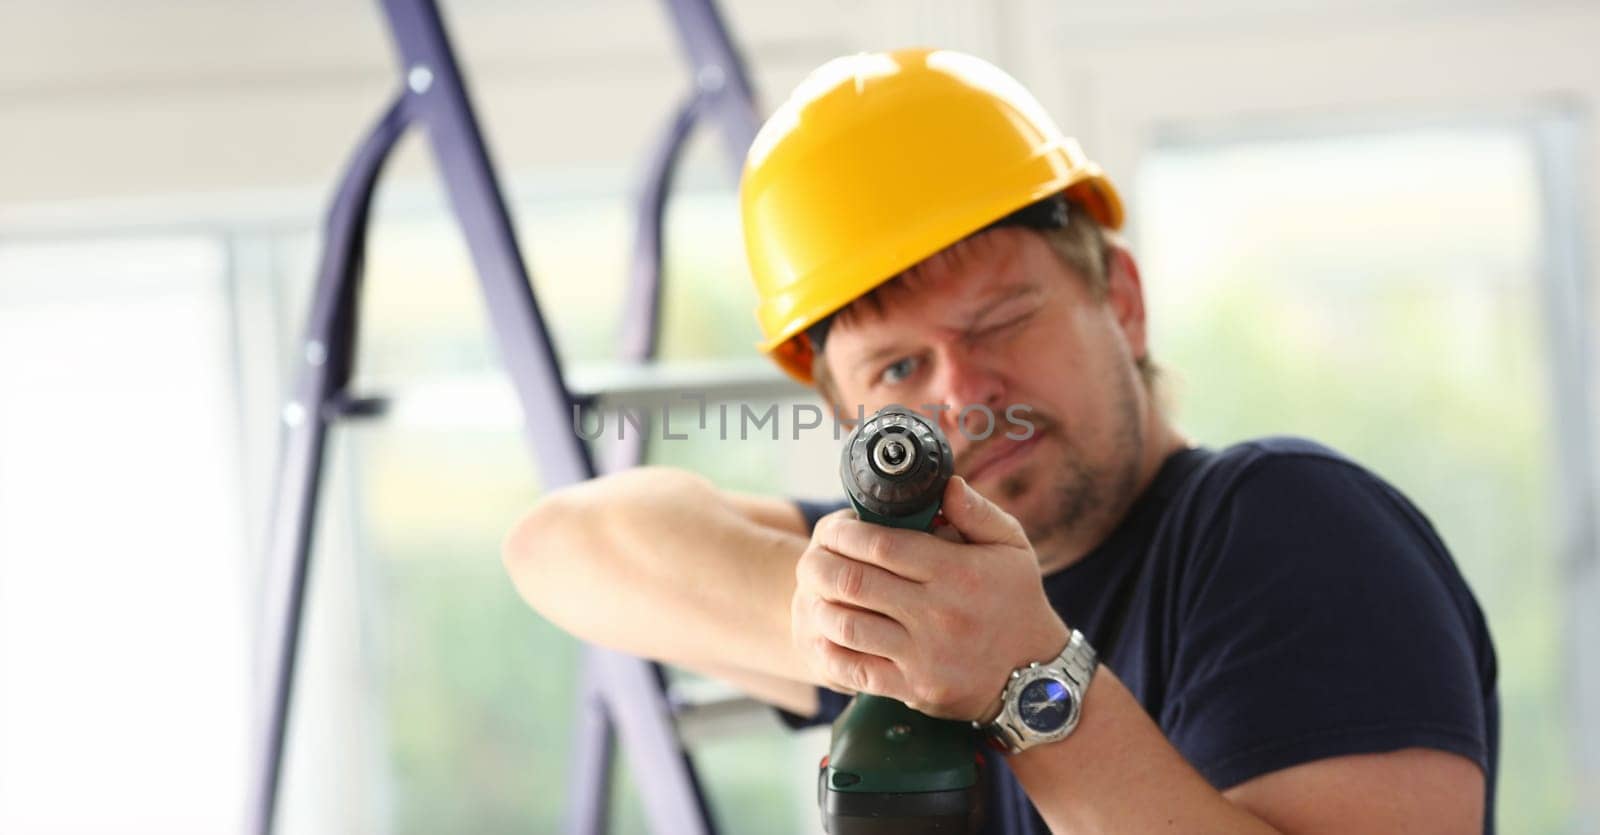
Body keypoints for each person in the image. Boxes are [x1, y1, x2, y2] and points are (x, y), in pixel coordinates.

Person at [502, 48, 1498, 834]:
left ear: (1122, 301)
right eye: (898, 370)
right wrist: (862, 627)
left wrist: (1025, 684)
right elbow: (561, 544)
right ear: (851, 418)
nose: (966, 393)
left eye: (999, 322)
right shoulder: (925, 564)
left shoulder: (1283, 526)